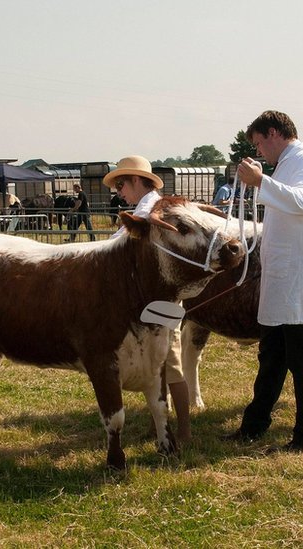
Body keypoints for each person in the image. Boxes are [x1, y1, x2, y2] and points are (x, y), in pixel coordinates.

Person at [227, 110, 303, 452]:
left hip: (300, 281)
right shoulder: (288, 164)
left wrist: (261, 181)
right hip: (284, 281)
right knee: (272, 357)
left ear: (274, 133)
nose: (260, 152)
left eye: (260, 143)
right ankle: (254, 426)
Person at [103, 155, 191, 444]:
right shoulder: (146, 207)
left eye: (121, 184)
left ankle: (184, 430)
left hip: (159, 297)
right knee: (159, 361)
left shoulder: (154, 210)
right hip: (147, 298)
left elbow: (118, 243)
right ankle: (163, 425)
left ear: (138, 181)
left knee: (170, 361)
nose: (119, 191)